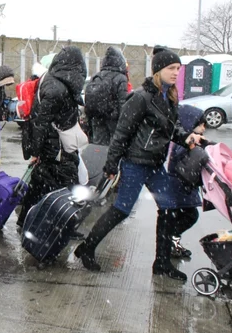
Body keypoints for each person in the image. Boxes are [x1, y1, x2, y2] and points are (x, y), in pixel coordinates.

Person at [73, 47, 203, 281]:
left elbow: (169, 128)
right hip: (135, 163)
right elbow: (122, 133)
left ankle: (161, 263)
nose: (176, 73)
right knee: (121, 210)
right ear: (158, 70)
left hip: (155, 163)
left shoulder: (170, 96)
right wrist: (112, 165)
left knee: (169, 208)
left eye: (178, 69)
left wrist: (185, 137)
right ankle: (87, 248)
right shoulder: (141, 97)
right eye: (171, 69)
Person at [16, 47, 86, 228]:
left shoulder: (52, 81)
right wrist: (36, 151)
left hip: (52, 145)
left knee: (41, 182)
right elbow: (41, 122)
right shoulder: (57, 88)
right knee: (66, 183)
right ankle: (62, 225)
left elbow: (40, 121)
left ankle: (25, 220)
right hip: (56, 147)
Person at [159, 105, 207, 259]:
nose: (203, 129)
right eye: (201, 125)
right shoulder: (184, 144)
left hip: (181, 187)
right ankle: (171, 242)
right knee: (188, 216)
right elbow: (187, 160)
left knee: (183, 217)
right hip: (179, 187)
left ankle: (172, 242)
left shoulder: (187, 141)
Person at [84, 46, 128, 146]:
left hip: (96, 118)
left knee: (98, 148)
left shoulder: (96, 76)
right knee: (114, 148)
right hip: (113, 120)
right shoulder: (121, 78)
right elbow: (123, 103)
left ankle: (97, 161)